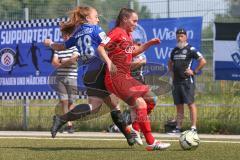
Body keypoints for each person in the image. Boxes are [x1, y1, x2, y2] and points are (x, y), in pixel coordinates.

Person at [44, 6, 139, 146]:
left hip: (87, 73)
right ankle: (62, 119)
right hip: (99, 69)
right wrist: (116, 56)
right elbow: (107, 45)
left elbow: (62, 47)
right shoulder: (96, 29)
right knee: (101, 105)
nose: (98, 19)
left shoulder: (77, 33)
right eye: (96, 16)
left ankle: (129, 136)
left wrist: (50, 43)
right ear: (88, 18)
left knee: (110, 105)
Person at [99, 8, 171, 151]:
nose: (136, 24)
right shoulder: (116, 32)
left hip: (126, 76)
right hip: (115, 78)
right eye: (134, 21)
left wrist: (149, 43)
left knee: (151, 99)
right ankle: (151, 142)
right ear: (125, 19)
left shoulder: (128, 34)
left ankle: (135, 129)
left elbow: (134, 52)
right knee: (140, 103)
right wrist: (109, 62)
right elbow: (100, 48)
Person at [167, 28, 207, 134]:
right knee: (179, 105)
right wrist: (172, 74)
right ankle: (178, 128)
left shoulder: (191, 49)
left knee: (190, 104)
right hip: (176, 82)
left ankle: (193, 127)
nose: (180, 38)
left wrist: (194, 71)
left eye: (182, 36)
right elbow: (170, 63)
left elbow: (203, 61)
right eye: (178, 36)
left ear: (186, 37)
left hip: (187, 81)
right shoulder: (174, 50)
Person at [51, 26, 80, 133]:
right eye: (64, 35)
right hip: (60, 79)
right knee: (64, 101)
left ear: (70, 36)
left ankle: (62, 121)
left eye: (67, 35)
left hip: (72, 78)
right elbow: (54, 62)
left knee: (71, 102)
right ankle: (69, 125)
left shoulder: (75, 47)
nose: (65, 37)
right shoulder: (58, 48)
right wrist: (65, 62)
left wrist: (61, 61)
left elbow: (73, 60)